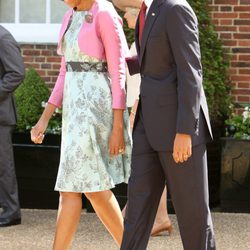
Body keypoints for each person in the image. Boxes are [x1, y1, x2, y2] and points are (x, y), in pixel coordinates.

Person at [31, 0, 131, 249]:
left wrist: (118, 125)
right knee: (69, 189)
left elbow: (118, 71)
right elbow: (65, 72)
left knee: (94, 188)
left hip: (96, 109)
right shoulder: (69, 17)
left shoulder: (105, 14)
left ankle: (130, 246)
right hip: (73, 115)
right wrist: (44, 118)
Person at [121, 0, 216, 249]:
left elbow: (190, 72)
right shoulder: (145, 11)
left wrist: (185, 130)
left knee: (193, 217)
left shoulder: (176, 9)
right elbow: (154, 64)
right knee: (135, 215)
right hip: (146, 127)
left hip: (178, 131)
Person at [122, 6, 172, 236]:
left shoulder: (145, 35)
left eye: (127, 13)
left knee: (150, 165)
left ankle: (158, 217)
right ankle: (155, 216)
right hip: (143, 107)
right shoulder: (139, 37)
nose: (124, 17)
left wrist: (133, 112)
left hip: (144, 109)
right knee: (151, 166)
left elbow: (141, 78)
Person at [0, 25, 25, 227]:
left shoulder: (3, 37)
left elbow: (16, 73)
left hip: (1, 116)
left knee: (3, 166)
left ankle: (11, 212)